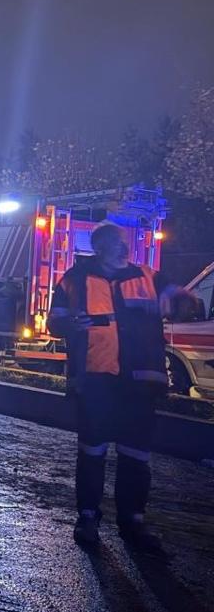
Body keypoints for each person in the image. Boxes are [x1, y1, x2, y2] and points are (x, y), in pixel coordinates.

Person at [48, 223, 181, 551]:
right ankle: (89, 517)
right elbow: (55, 321)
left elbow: (181, 302)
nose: (124, 248)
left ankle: (133, 520)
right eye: (115, 243)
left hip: (140, 380)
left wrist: (173, 299)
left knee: (135, 454)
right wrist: (68, 324)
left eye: (125, 242)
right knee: (92, 451)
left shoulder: (149, 276)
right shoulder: (75, 279)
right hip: (96, 378)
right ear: (100, 247)